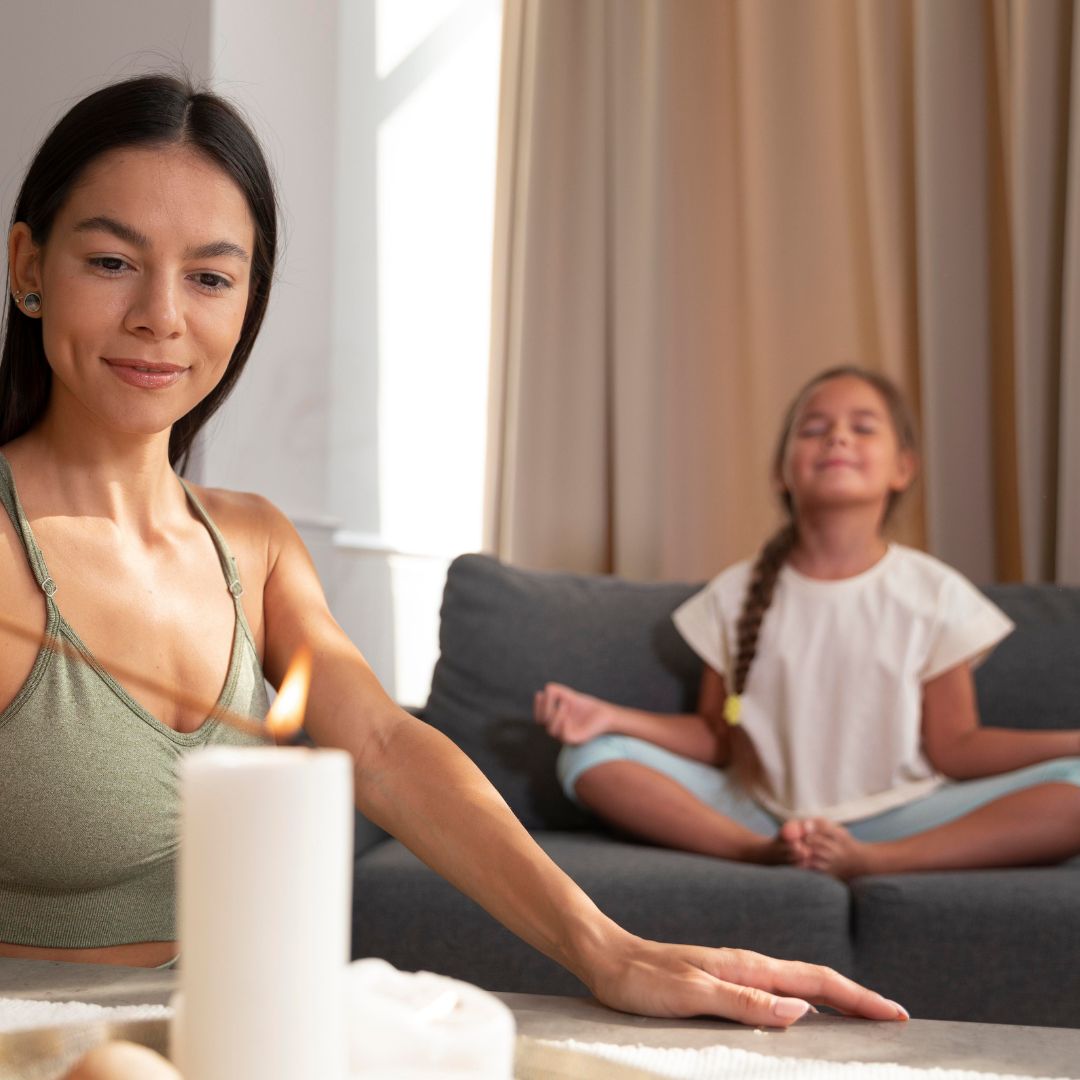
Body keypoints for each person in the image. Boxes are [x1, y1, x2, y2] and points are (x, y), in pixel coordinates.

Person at [0, 74, 906, 1028]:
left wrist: (608, 949)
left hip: (232, 1031)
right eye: (111, 262)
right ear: (28, 266)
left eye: (211, 277)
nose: (162, 315)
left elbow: (387, 748)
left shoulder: (252, 544)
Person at [536, 367, 1080, 878]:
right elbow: (718, 735)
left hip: (903, 815)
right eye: (815, 429)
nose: (837, 438)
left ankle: (878, 861)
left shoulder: (934, 593)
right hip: (759, 812)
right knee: (589, 755)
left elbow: (956, 745)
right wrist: (609, 717)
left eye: (862, 427)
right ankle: (756, 854)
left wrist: (1070, 742)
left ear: (902, 468)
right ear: (781, 472)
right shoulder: (734, 594)